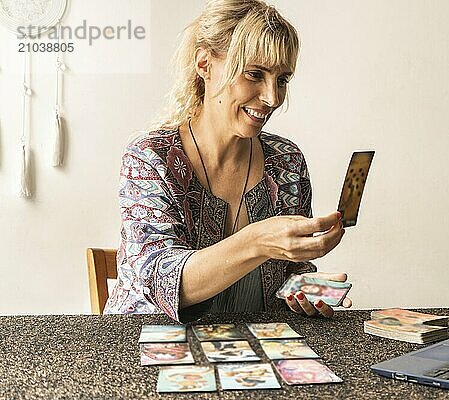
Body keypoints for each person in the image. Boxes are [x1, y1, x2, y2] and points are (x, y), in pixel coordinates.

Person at [104, 0, 351, 323]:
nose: (272, 98)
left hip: (251, 350)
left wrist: (302, 287)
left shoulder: (287, 162)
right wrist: (257, 241)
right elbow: (160, 279)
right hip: (148, 344)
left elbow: (287, 271)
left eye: (281, 79)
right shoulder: (150, 157)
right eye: (254, 74)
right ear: (204, 64)